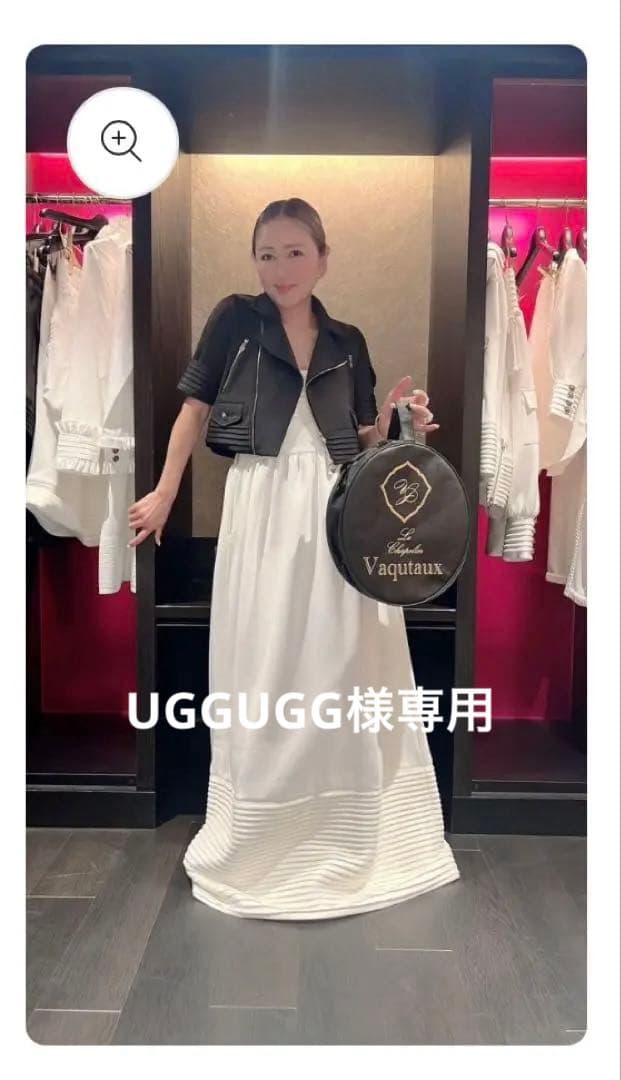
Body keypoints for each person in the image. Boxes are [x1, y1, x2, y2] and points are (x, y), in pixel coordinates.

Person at [128, 198, 460, 920]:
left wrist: (401, 423)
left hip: (339, 508)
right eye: (267, 254)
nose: (280, 269)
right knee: (266, 652)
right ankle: (262, 830)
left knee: (347, 656)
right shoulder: (234, 321)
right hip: (262, 502)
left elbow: (364, 442)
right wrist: (163, 492)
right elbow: (193, 408)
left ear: (322, 258)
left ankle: (357, 822)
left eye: (295, 253)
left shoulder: (347, 340)